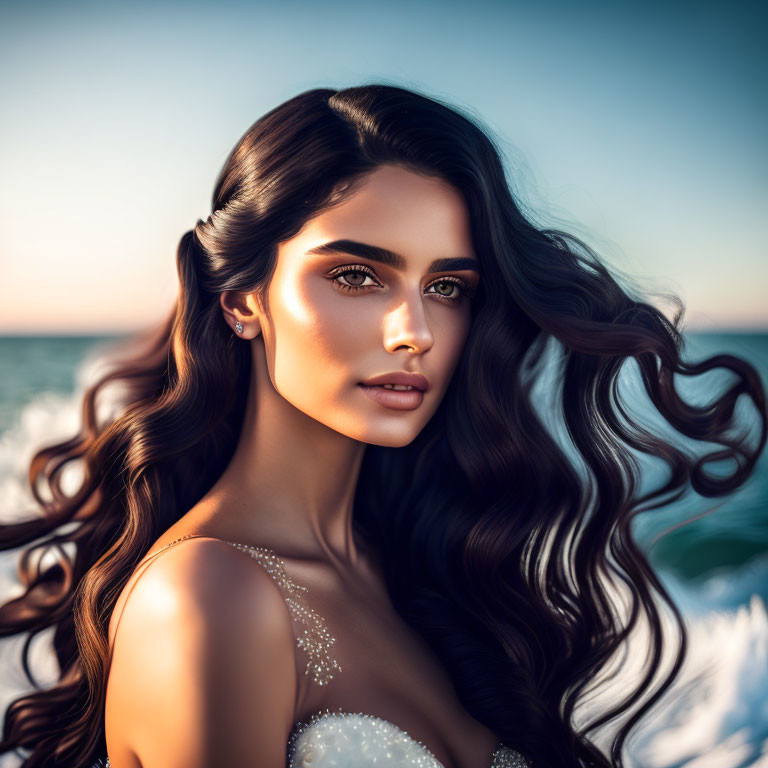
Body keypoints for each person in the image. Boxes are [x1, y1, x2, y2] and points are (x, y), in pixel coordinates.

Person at [0, 84, 765, 768]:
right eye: (357, 275)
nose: (416, 331)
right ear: (240, 299)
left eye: (448, 286)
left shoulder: (416, 566)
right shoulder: (209, 597)